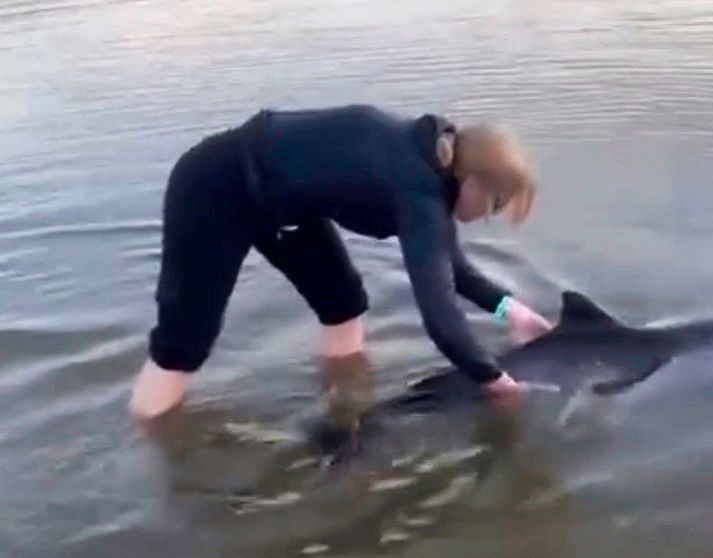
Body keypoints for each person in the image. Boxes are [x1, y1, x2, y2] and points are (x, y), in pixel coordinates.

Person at [128, 104, 553, 420]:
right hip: (213, 189)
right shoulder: (418, 191)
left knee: (342, 304)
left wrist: (511, 312)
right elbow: (440, 318)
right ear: (474, 182)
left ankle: (344, 415)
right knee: (182, 345)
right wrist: (494, 379)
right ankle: (153, 447)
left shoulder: (431, 166)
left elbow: (451, 269)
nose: (489, 218)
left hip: (279, 204)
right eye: (495, 206)